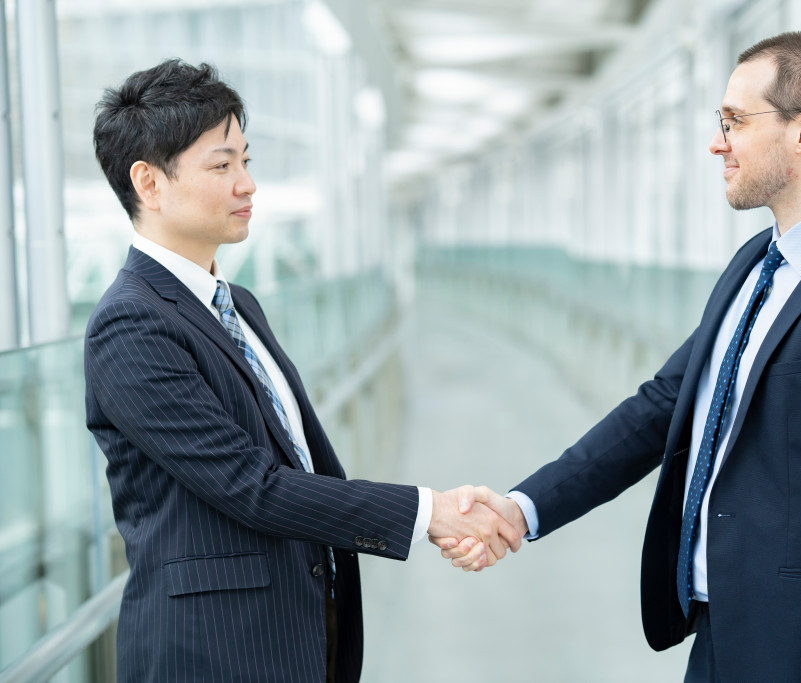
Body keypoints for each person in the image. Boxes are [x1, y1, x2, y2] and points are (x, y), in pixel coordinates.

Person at [437, 31, 801, 682]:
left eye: (734, 122)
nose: (718, 143)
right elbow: (658, 409)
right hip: (719, 642)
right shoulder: (752, 268)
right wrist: (522, 507)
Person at [84, 59, 514, 683]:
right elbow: (250, 486)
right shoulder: (131, 326)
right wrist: (430, 513)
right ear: (148, 183)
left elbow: (296, 462)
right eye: (222, 165)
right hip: (211, 655)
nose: (248, 185)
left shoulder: (239, 306)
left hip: (295, 630)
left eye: (247, 161)